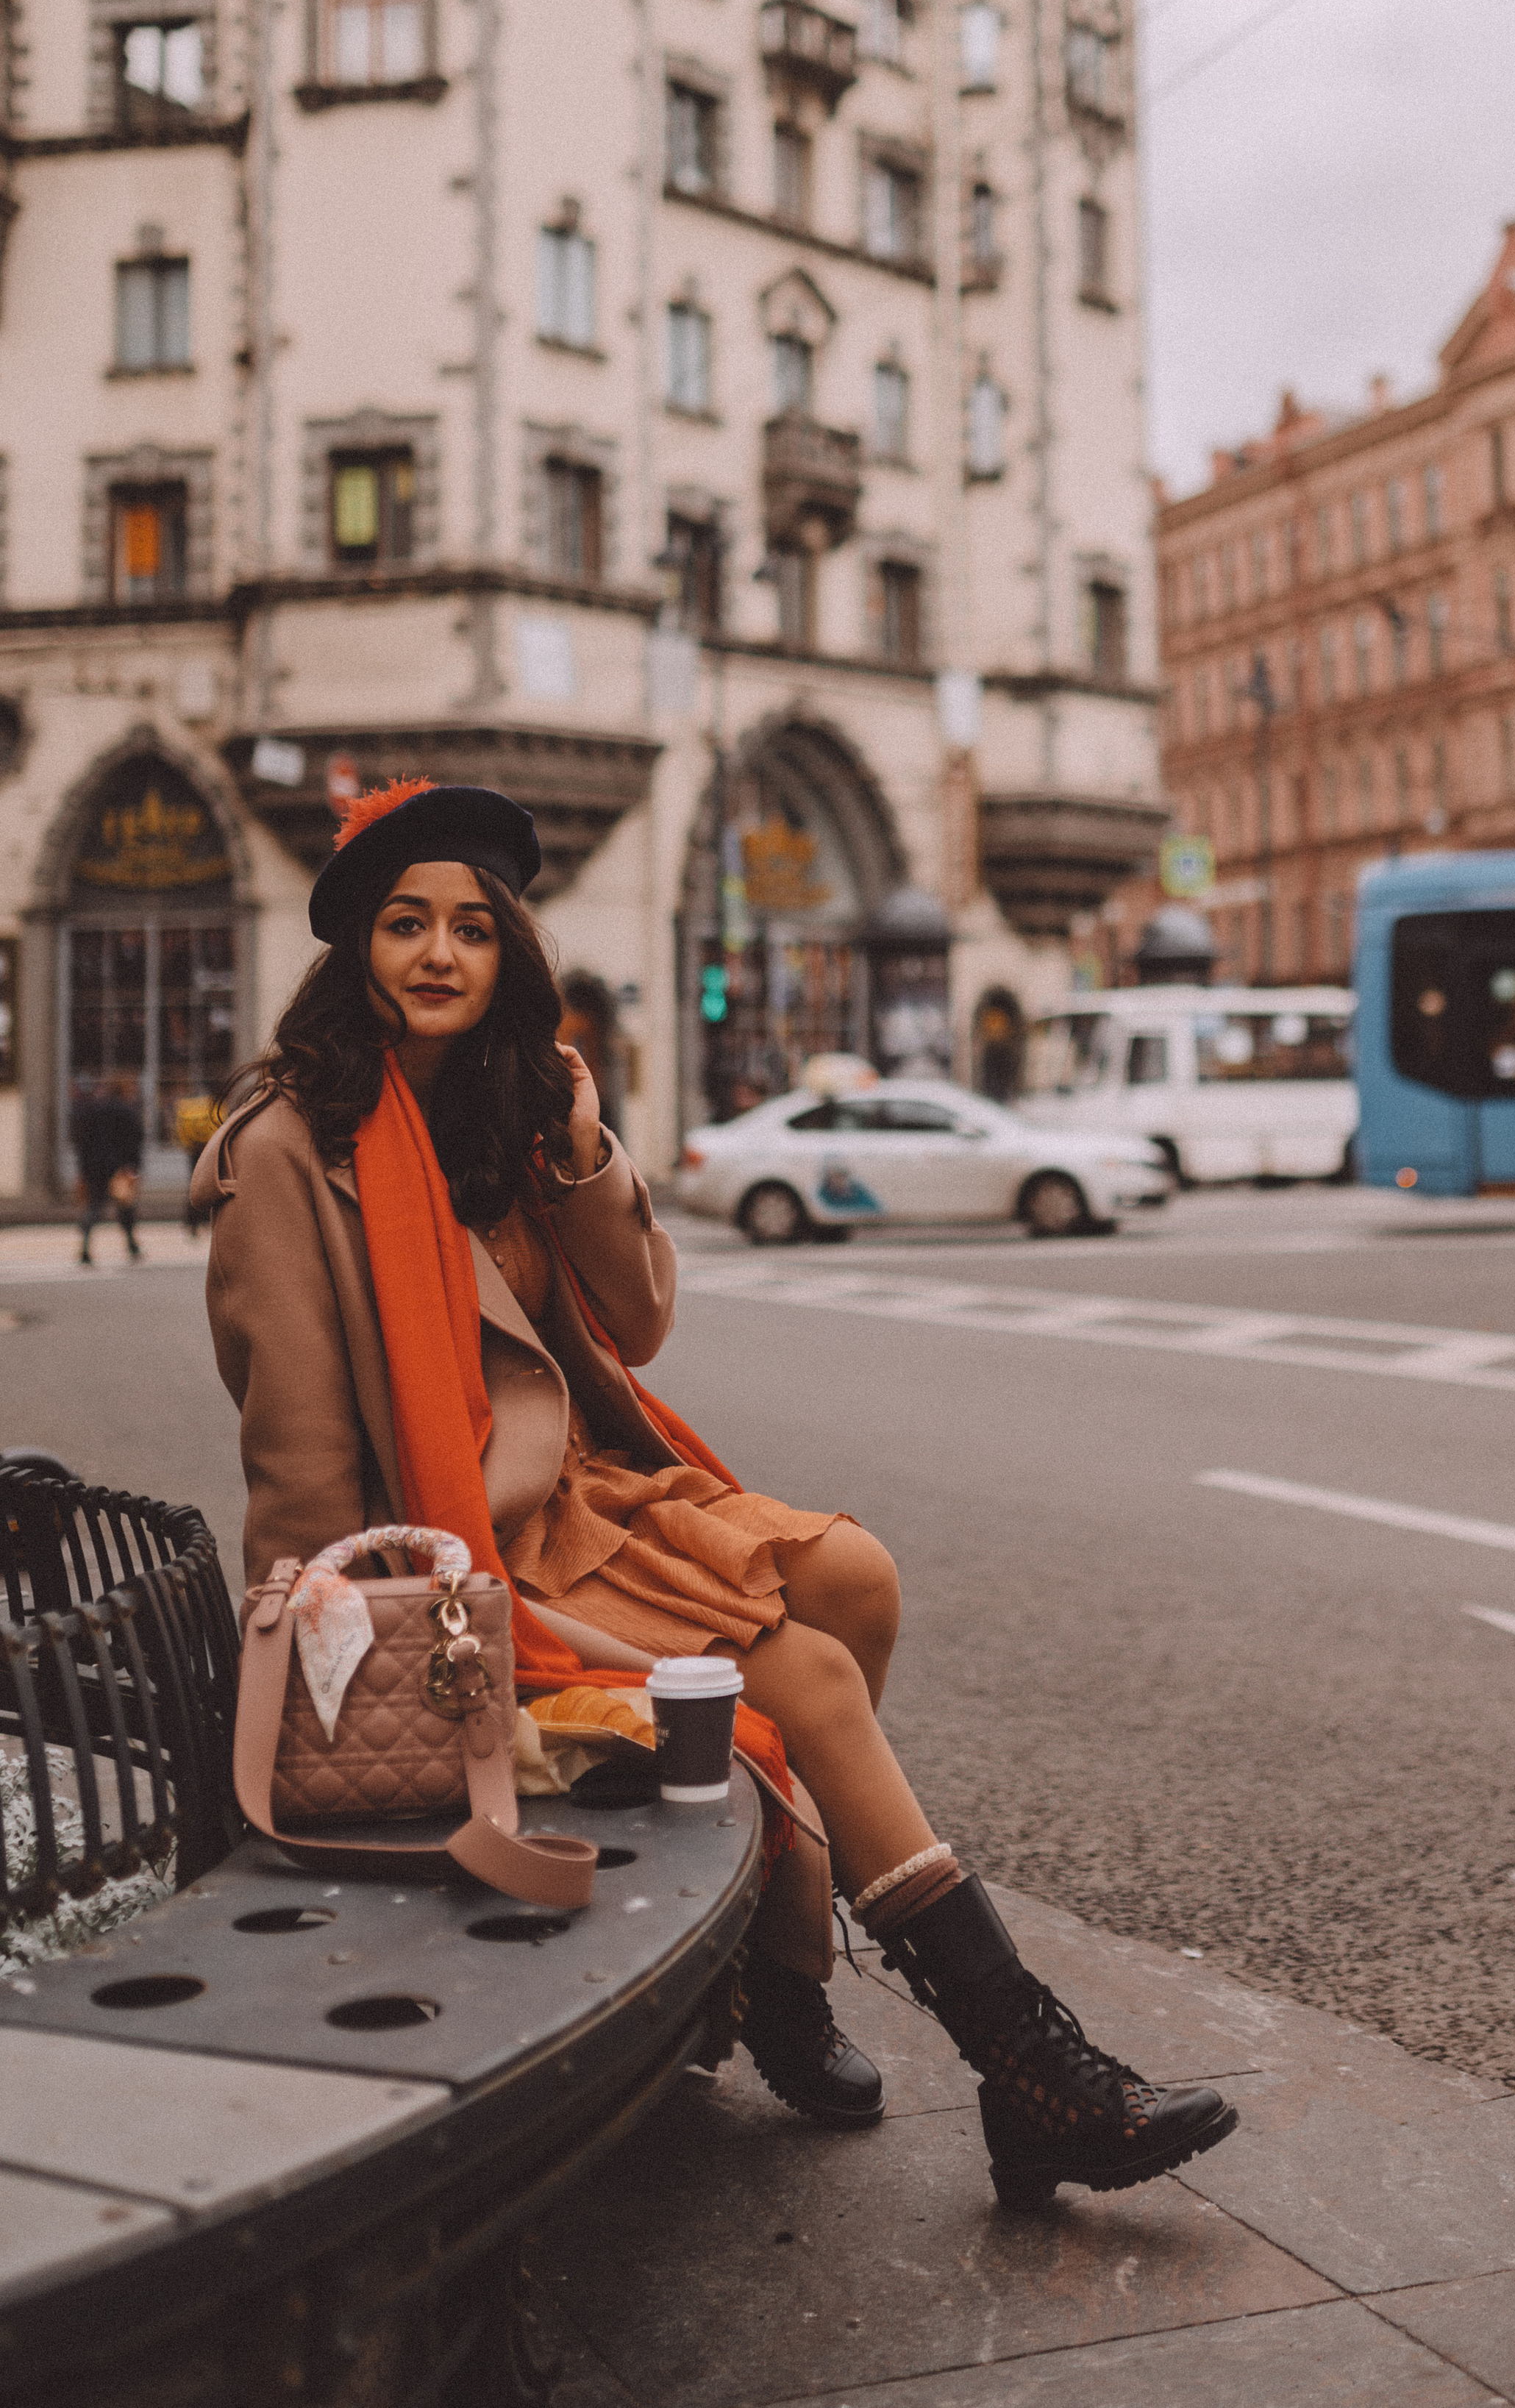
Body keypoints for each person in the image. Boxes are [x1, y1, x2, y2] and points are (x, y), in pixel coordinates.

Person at [196, 780, 1236, 2207]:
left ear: (511, 956)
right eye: (403, 924)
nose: (438, 955)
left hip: (580, 1502)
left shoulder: (505, 1112)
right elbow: (304, 1470)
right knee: (802, 1677)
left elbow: (638, 1321)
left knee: (853, 1576)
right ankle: (989, 2052)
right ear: (352, 951)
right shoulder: (286, 1151)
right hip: (457, 1566)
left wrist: (581, 1143)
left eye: (470, 930)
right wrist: (346, 1670)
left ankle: (818, 1971)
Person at [73, 1078, 144, 1267]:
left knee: (94, 1206)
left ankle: (85, 1247)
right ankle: (131, 1245)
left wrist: (82, 1168)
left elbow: (83, 1141)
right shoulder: (127, 1111)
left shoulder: (93, 1110)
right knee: (126, 1205)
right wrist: (134, 1166)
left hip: (94, 1167)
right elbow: (134, 1141)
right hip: (119, 1167)